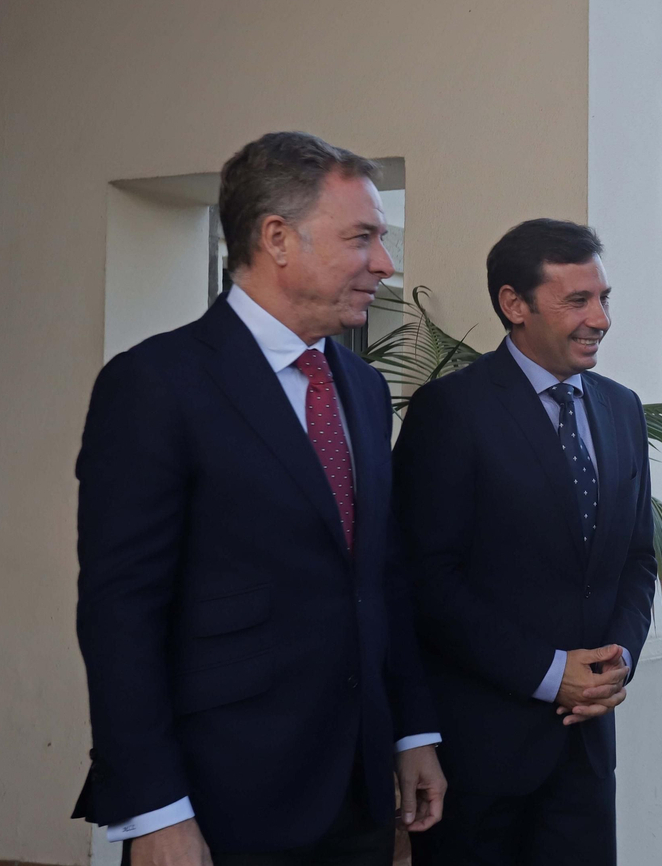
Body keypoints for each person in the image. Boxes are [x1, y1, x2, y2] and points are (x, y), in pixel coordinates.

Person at [73, 131, 445, 865]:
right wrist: (154, 809)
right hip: (221, 802)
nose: (385, 263)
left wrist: (412, 732)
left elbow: (380, 576)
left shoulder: (364, 388)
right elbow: (121, 612)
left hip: (359, 795)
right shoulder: (155, 385)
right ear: (277, 237)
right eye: (363, 238)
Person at [393, 218, 657, 865]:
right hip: (479, 760)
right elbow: (426, 577)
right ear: (514, 304)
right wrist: (547, 674)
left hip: (587, 756)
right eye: (577, 301)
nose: (600, 318)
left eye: (604, 298)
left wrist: (617, 657)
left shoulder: (622, 407)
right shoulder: (450, 411)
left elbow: (636, 559)